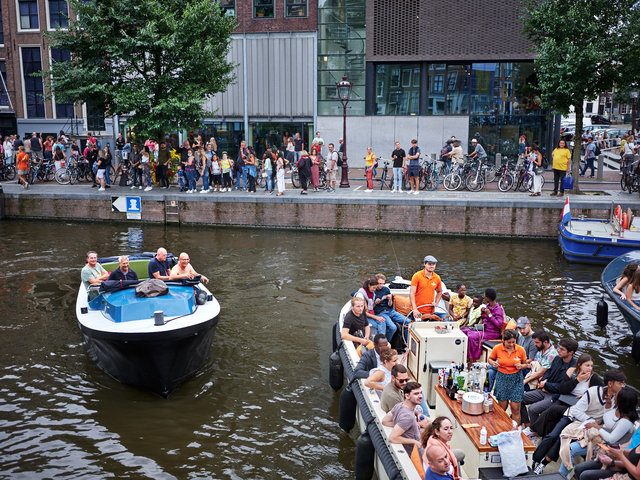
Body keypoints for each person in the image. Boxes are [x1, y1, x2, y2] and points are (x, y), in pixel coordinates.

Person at [531, 369, 627, 475]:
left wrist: (596, 425)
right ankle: (535, 459)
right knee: (553, 435)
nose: (623, 386)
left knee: (561, 440)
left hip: (587, 426)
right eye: (620, 383)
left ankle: (543, 464)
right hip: (572, 417)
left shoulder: (616, 400)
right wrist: (591, 421)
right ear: (610, 383)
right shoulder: (594, 392)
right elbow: (576, 411)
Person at [559, 387, 638, 476]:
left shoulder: (626, 422)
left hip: (606, 448)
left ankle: (560, 476)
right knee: (568, 444)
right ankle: (562, 474)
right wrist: (608, 404)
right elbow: (608, 421)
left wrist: (596, 427)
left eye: (616, 396)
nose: (614, 396)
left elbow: (611, 439)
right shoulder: (617, 409)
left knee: (570, 449)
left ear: (621, 401)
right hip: (599, 439)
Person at [520, 338, 578, 426]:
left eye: (562, 349)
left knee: (533, 409)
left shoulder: (573, 368)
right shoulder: (557, 359)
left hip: (555, 396)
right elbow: (549, 372)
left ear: (571, 352)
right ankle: (527, 424)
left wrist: (546, 385)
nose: (558, 350)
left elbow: (562, 387)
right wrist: (544, 381)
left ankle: (535, 431)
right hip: (544, 389)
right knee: (519, 398)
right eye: (559, 348)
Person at [489, 328, 527, 425]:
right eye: (509, 342)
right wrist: (493, 363)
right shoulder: (497, 348)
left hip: (516, 379)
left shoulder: (520, 350)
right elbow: (490, 359)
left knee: (515, 408)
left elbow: (525, 364)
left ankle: (514, 431)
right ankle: (499, 426)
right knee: (502, 407)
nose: (511, 345)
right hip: (502, 378)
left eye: (513, 342)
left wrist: (521, 366)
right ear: (503, 341)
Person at [382, 381, 430, 456]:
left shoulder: (399, 405)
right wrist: (414, 441)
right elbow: (392, 438)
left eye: (420, 393)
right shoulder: (408, 417)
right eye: (416, 394)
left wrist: (400, 426)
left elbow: (385, 421)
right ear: (407, 396)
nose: (420, 396)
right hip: (414, 453)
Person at [462, 288, 504, 361]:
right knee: (464, 331)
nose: (483, 297)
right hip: (484, 328)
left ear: (488, 298)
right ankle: (465, 354)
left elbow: (499, 325)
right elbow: (485, 317)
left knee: (471, 336)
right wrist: (483, 313)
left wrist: (489, 315)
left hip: (492, 332)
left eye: (484, 296)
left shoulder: (498, 309)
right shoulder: (488, 305)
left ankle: (472, 358)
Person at [410, 255, 443, 321]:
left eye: (433, 264)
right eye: (429, 264)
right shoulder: (417, 276)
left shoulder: (437, 277)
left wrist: (436, 302)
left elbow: (439, 291)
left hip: (430, 311)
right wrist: (414, 309)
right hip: (418, 310)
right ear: (425, 264)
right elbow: (411, 293)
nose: (432, 266)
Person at [373, 274, 403, 342]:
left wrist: (390, 299)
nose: (381, 285)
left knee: (407, 322)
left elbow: (390, 305)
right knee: (393, 327)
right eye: (379, 283)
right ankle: (385, 343)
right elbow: (370, 308)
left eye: (382, 283)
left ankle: (406, 343)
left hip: (390, 311)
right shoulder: (372, 291)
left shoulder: (386, 289)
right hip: (381, 312)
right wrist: (375, 303)